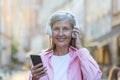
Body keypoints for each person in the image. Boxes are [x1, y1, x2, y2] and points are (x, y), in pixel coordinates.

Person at [29, 11, 102, 80]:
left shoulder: (80, 57)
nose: (60, 34)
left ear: (73, 32)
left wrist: (80, 47)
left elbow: (94, 78)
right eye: (56, 29)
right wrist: (34, 79)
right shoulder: (42, 59)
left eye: (65, 29)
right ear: (50, 32)